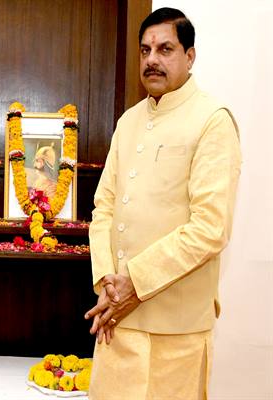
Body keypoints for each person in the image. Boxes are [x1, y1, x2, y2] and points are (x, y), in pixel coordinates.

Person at [84, 8, 241, 400]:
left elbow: (210, 229)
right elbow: (103, 208)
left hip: (176, 333)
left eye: (165, 49)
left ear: (189, 56)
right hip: (117, 319)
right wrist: (108, 283)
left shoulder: (212, 120)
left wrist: (135, 282)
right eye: (145, 50)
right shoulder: (129, 121)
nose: (151, 59)